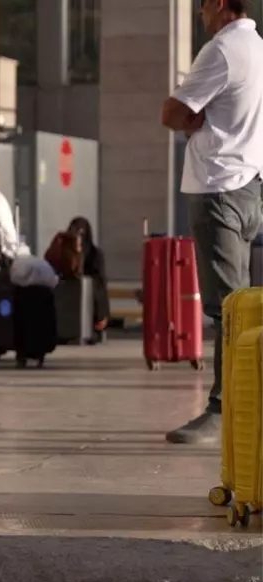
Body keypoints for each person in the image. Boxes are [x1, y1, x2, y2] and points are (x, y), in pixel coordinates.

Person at [160, 0, 263, 445]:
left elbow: (171, 113)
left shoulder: (221, 48)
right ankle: (245, 405)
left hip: (218, 188)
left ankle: (224, 411)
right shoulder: (258, 48)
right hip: (250, 187)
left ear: (219, 4)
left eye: (202, 7)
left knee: (228, 309)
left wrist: (192, 118)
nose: (201, 15)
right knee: (240, 303)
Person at [66, 216, 111, 344]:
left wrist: (103, 315)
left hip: (91, 301)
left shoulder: (95, 254)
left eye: (81, 234)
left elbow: (100, 284)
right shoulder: (65, 253)